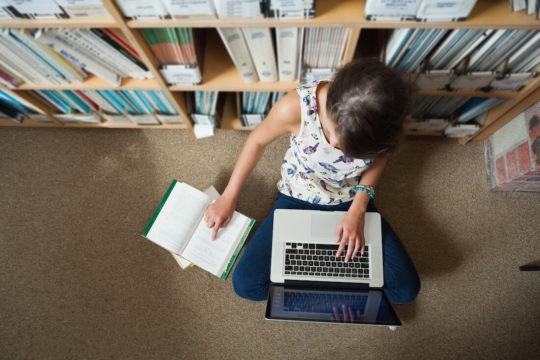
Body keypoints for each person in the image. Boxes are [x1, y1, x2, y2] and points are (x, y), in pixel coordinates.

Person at [204, 58, 420, 304]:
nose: (336, 145)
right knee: (247, 285)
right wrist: (229, 196)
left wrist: (358, 210)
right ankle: (339, 292)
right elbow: (257, 141)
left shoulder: (387, 123)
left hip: (352, 199)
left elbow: (381, 158)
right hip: (296, 196)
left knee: (405, 290)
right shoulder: (295, 107)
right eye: (333, 132)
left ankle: (326, 289)